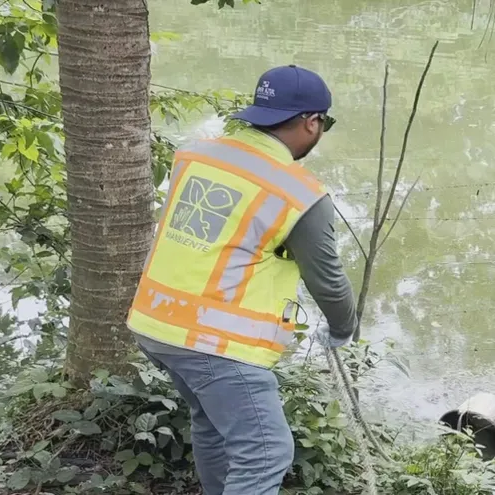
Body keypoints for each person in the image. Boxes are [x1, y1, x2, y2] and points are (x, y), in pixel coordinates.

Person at [127, 65, 359, 495]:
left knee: (212, 426)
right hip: (214, 344)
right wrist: (344, 328)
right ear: (312, 122)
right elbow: (328, 281)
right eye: (323, 124)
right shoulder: (299, 193)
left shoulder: (196, 154)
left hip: (154, 323)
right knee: (266, 452)